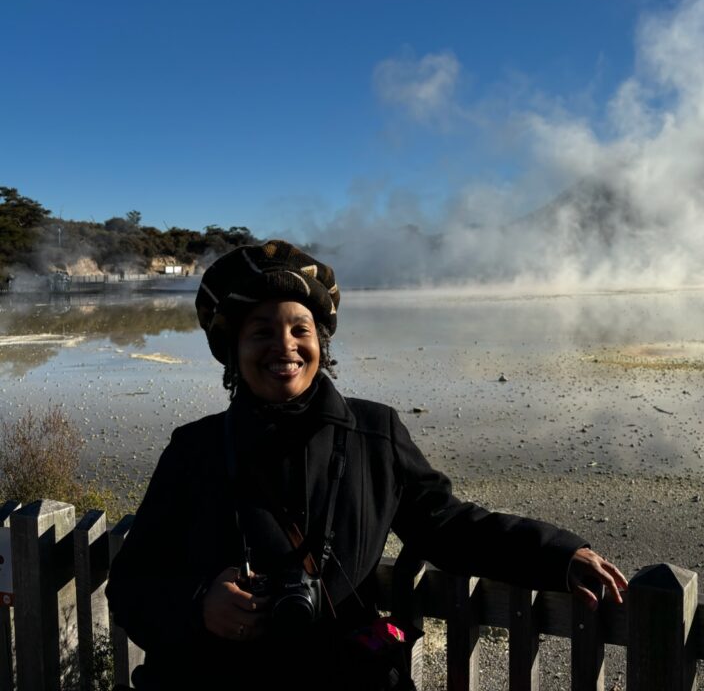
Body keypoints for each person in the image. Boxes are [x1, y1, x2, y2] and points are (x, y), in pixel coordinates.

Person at [106, 240, 627, 690]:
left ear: (320, 343)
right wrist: (200, 604)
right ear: (233, 349)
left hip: (340, 676)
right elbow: (131, 586)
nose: (284, 346)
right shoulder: (193, 450)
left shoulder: (374, 435)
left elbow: (445, 525)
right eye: (261, 331)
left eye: (299, 329)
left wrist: (558, 554)